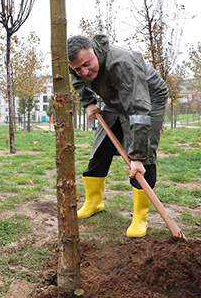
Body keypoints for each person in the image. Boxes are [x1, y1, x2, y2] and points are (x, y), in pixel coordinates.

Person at [68, 34, 168, 237]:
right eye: (78, 68)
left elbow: (139, 109)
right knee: (101, 145)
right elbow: (77, 80)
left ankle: (140, 217)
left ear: (95, 52)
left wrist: (137, 157)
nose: (85, 72)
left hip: (148, 97)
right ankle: (94, 202)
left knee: (144, 150)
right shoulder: (76, 65)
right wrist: (88, 102)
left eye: (87, 64)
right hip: (114, 97)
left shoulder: (122, 64)